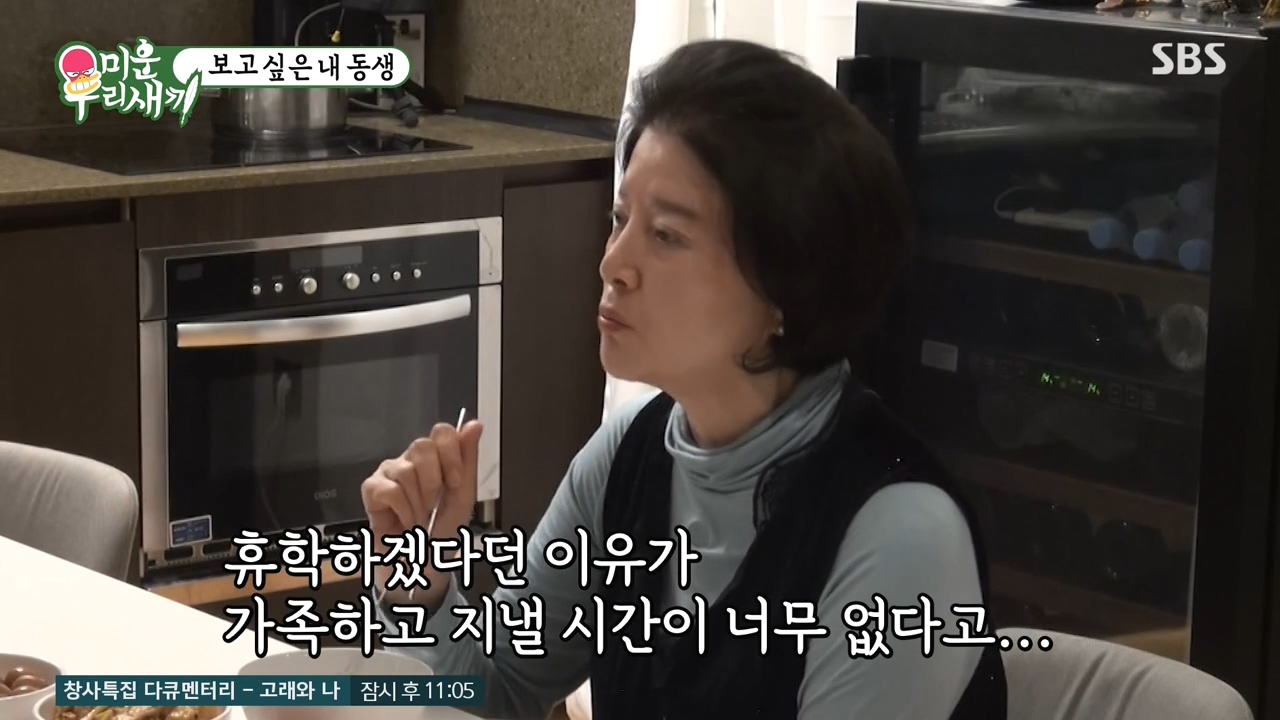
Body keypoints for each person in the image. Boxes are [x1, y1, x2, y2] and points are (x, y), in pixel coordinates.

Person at [360, 39, 1008, 720]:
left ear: (786, 283)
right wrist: (417, 582)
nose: (613, 264)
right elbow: (497, 691)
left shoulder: (901, 534)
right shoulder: (624, 461)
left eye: (666, 235)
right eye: (620, 220)